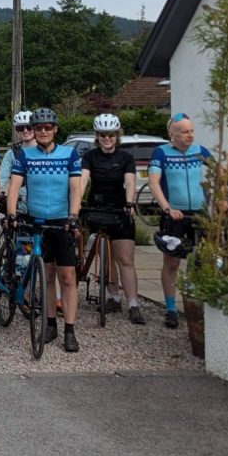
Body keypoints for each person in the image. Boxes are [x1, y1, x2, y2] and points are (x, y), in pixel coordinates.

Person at [6, 108, 83, 352]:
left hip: (61, 222)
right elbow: (14, 186)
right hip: (36, 221)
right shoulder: (25, 155)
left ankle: (69, 330)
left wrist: (73, 216)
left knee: (67, 278)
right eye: (38, 128)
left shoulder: (69, 154)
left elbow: (75, 189)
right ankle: (50, 324)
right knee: (47, 276)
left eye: (47, 128)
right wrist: (11, 213)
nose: (42, 131)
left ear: (55, 129)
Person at [148, 113, 214, 329]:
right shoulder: (161, 153)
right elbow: (154, 182)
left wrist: (222, 198)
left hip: (200, 213)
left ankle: (200, 304)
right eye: (185, 132)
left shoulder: (200, 151)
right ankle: (171, 308)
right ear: (172, 134)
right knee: (172, 262)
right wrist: (167, 208)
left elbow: (220, 174)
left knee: (203, 261)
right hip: (174, 214)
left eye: (192, 131)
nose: (190, 135)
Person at [80, 113, 141, 324]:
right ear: (98, 136)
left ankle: (133, 303)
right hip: (96, 209)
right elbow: (83, 180)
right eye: (103, 135)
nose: (107, 138)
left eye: (111, 135)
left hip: (119, 209)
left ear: (117, 135)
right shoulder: (90, 157)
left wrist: (130, 203)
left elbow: (130, 182)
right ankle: (114, 297)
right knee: (107, 258)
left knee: (125, 259)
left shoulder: (126, 158)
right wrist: (76, 204)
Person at [0, 111, 35, 209]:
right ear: (17, 131)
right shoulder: (12, 153)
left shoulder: (46, 150)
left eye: (29, 127)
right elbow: (2, 177)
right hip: (21, 206)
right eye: (21, 128)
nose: (25, 131)